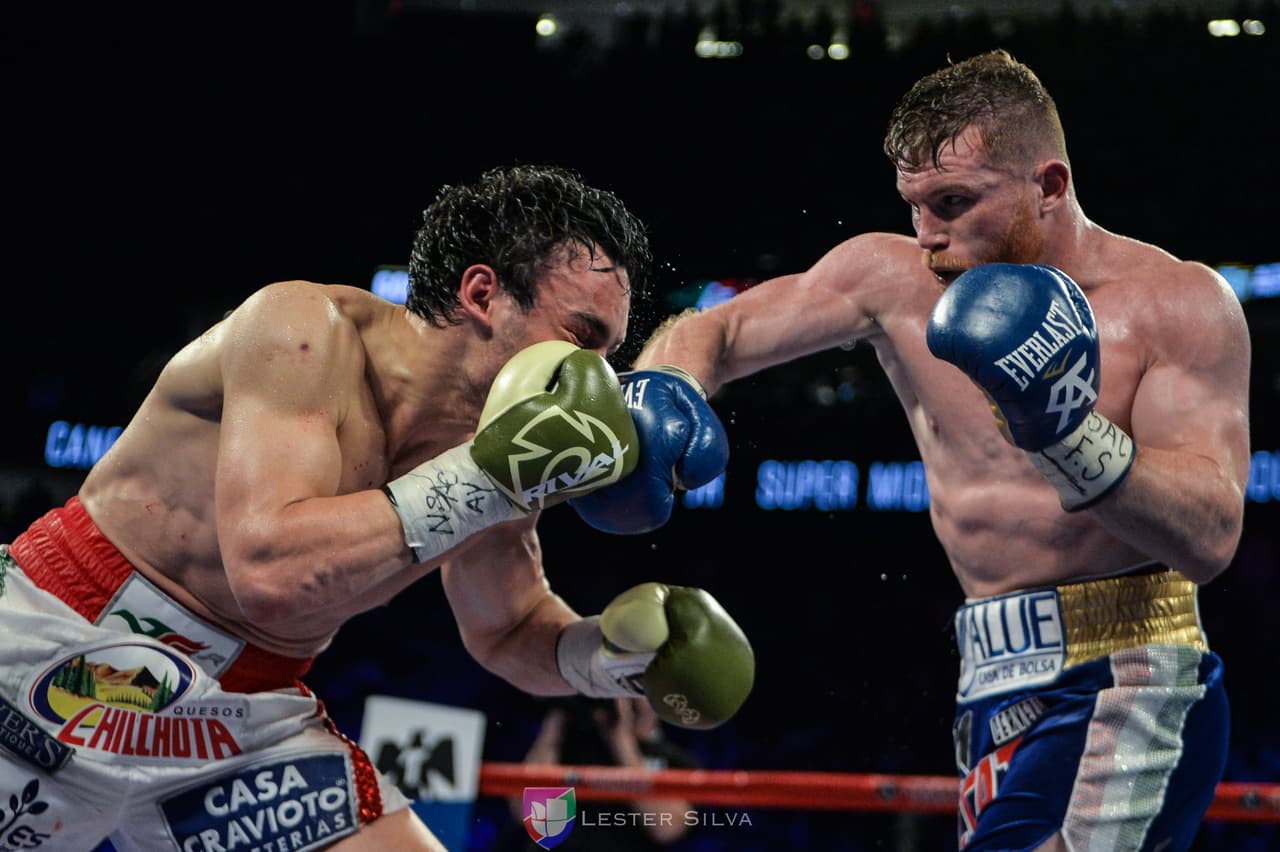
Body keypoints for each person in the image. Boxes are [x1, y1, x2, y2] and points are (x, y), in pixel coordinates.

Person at [0, 165, 753, 850]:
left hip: (239, 713)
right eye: (582, 338)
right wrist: (487, 479)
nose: (595, 377)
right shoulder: (300, 329)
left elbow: (510, 627)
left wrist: (607, 660)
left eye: (610, 354)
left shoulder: (501, 448)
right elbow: (268, 567)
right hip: (54, 640)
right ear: (482, 294)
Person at [630, 50, 1250, 851]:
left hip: (1130, 677)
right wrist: (667, 389)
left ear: (1050, 186)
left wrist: (1067, 434)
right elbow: (717, 328)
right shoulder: (892, 280)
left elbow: (1211, 536)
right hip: (989, 679)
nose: (928, 237)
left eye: (955, 203)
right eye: (915, 205)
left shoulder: (1177, 304)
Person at [502, 696, 701, 851]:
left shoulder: (675, 761)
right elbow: (525, 814)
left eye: (631, 692)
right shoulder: (566, 746)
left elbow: (667, 828)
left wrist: (622, 744)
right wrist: (557, 718)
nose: (622, 699)